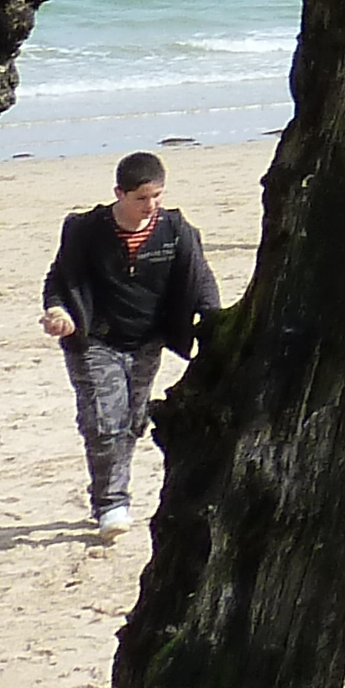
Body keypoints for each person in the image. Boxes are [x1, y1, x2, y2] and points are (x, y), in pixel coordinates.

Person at [42, 151, 218, 536]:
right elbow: (58, 280)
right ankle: (111, 504)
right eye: (141, 198)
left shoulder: (175, 230)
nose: (150, 205)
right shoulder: (85, 230)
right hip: (94, 340)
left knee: (131, 422)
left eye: (157, 195)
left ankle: (113, 491)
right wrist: (60, 313)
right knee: (104, 421)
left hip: (146, 342)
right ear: (119, 193)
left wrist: (213, 319)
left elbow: (200, 278)